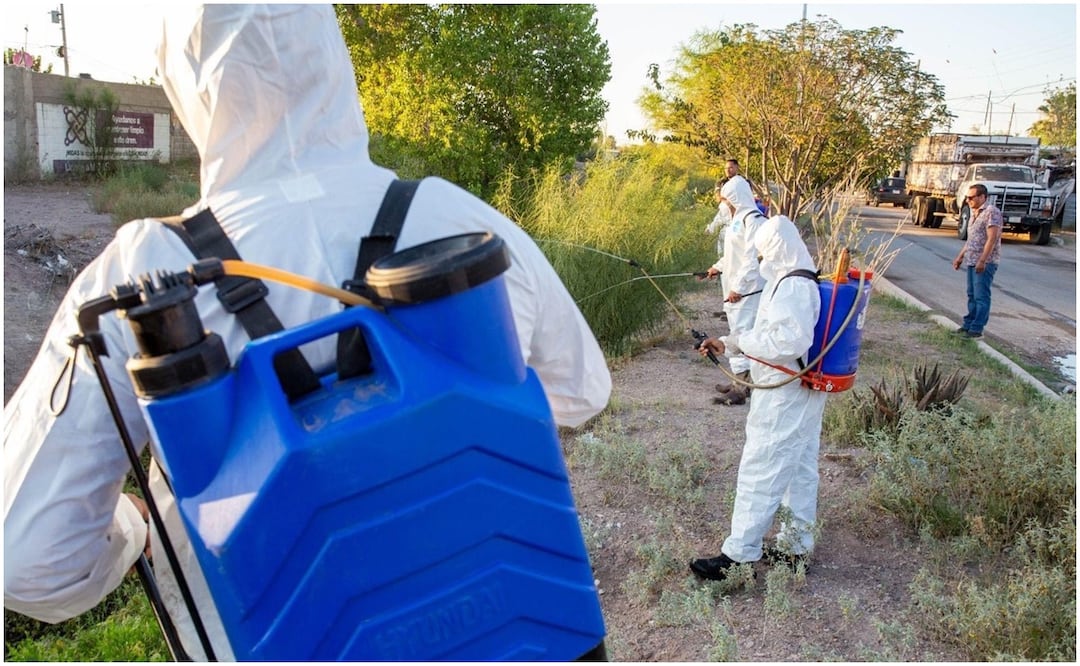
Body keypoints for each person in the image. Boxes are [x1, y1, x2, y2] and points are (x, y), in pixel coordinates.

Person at [3, 5, 611, 659]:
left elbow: (29, 562)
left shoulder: (140, 272)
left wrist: (132, 528)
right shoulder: (455, 217)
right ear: (332, 56)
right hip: (510, 630)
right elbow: (581, 391)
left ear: (184, 82)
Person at [689, 214, 827, 581]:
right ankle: (795, 547)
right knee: (798, 467)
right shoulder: (792, 279)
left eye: (764, 255)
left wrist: (744, 344)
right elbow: (768, 331)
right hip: (797, 388)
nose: (762, 263)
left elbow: (789, 342)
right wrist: (728, 341)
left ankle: (739, 556)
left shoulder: (794, 286)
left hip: (785, 391)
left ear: (776, 249)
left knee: (761, 466)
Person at [701, 159, 766, 405]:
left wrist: (739, 287)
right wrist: (716, 268)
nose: (724, 205)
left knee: (744, 334)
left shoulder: (754, 220)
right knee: (736, 332)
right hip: (734, 287)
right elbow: (733, 254)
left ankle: (743, 386)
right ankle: (737, 380)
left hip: (747, 291)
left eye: (727, 200)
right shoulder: (738, 220)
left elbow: (752, 259)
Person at [951, 183, 1002, 339]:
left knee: (981, 296)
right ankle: (968, 325)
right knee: (972, 294)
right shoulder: (974, 213)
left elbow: (992, 238)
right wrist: (960, 256)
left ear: (982, 197)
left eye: (971, 197)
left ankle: (977, 329)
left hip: (985, 262)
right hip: (971, 260)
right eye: (967, 197)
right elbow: (972, 240)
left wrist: (982, 260)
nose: (968, 200)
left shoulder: (991, 212)